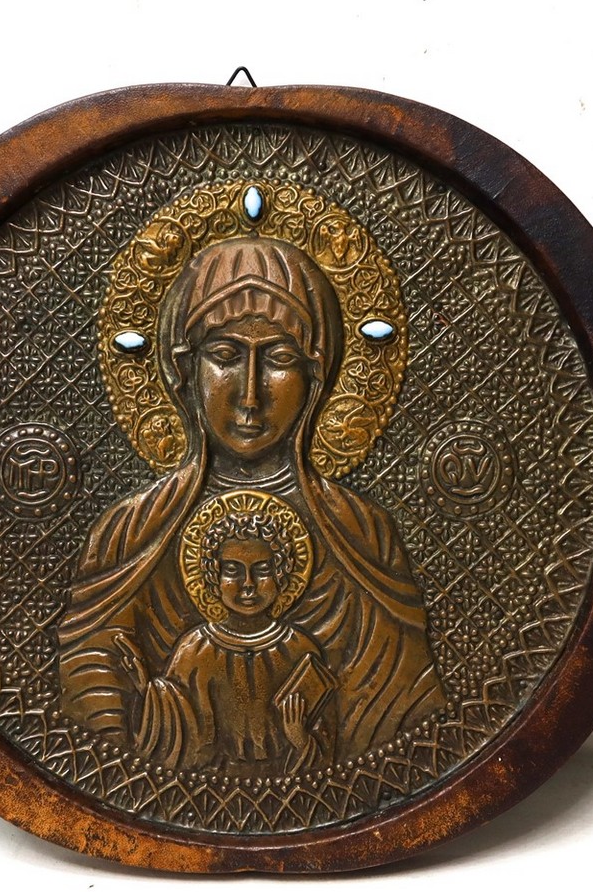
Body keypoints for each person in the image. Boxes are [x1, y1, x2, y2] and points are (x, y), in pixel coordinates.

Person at [57, 235, 445, 769]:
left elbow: (405, 714)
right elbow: (89, 690)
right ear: (184, 370)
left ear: (317, 375)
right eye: (224, 356)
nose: (250, 394)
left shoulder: (361, 533)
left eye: (281, 358)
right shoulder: (130, 532)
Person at [130, 501, 335, 776]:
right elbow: (180, 737)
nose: (248, 584)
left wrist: (300, 739)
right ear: (213, 577)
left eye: (262, 570)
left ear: (281, 573)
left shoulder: (300, 649)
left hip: (287, 787)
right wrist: (148, 693)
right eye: (233, 570)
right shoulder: (194, 651)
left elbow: (330, 748)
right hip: (211, 786)